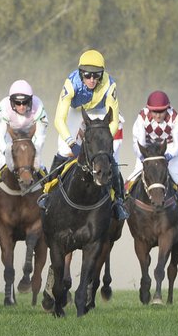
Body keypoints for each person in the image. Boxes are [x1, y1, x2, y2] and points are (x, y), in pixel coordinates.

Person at [52, 49, 128, 220]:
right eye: (87, 75)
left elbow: (114, 120)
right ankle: (47, 191)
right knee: (64, 150)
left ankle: (119, 201)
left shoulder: (110, 85)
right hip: (75, 110)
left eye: (97, 75)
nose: (92, 80)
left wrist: (105, 141)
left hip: (99, 111)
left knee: (110, 156)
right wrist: (72, 144)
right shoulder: (71, 84)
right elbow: (59, 120)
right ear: (80, 74)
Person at [130, 90, 178, 222]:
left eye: (161, 111)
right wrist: (144, 157)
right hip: (147, 150)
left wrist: (168, 156)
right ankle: (122, 203)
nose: (158, 115)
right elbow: (138, 142)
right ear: (149, 109)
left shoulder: (175, 118)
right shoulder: (142, 117)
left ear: (167, 108)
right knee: (134, 174)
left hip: (169, 148)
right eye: (154, 111)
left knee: (174, 173)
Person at [0, 80, 49, 177]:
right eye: (18, 103)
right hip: (10, 136)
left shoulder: (38, 106)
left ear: (30, 101)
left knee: (38, 164)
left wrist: (34, 152)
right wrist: (7, 152)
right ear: (12, 102)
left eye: (25, 102)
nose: (22, 107)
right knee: (1, 162)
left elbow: (40, 136)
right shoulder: (3, 107)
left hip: (30, 136)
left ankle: (47, 185)